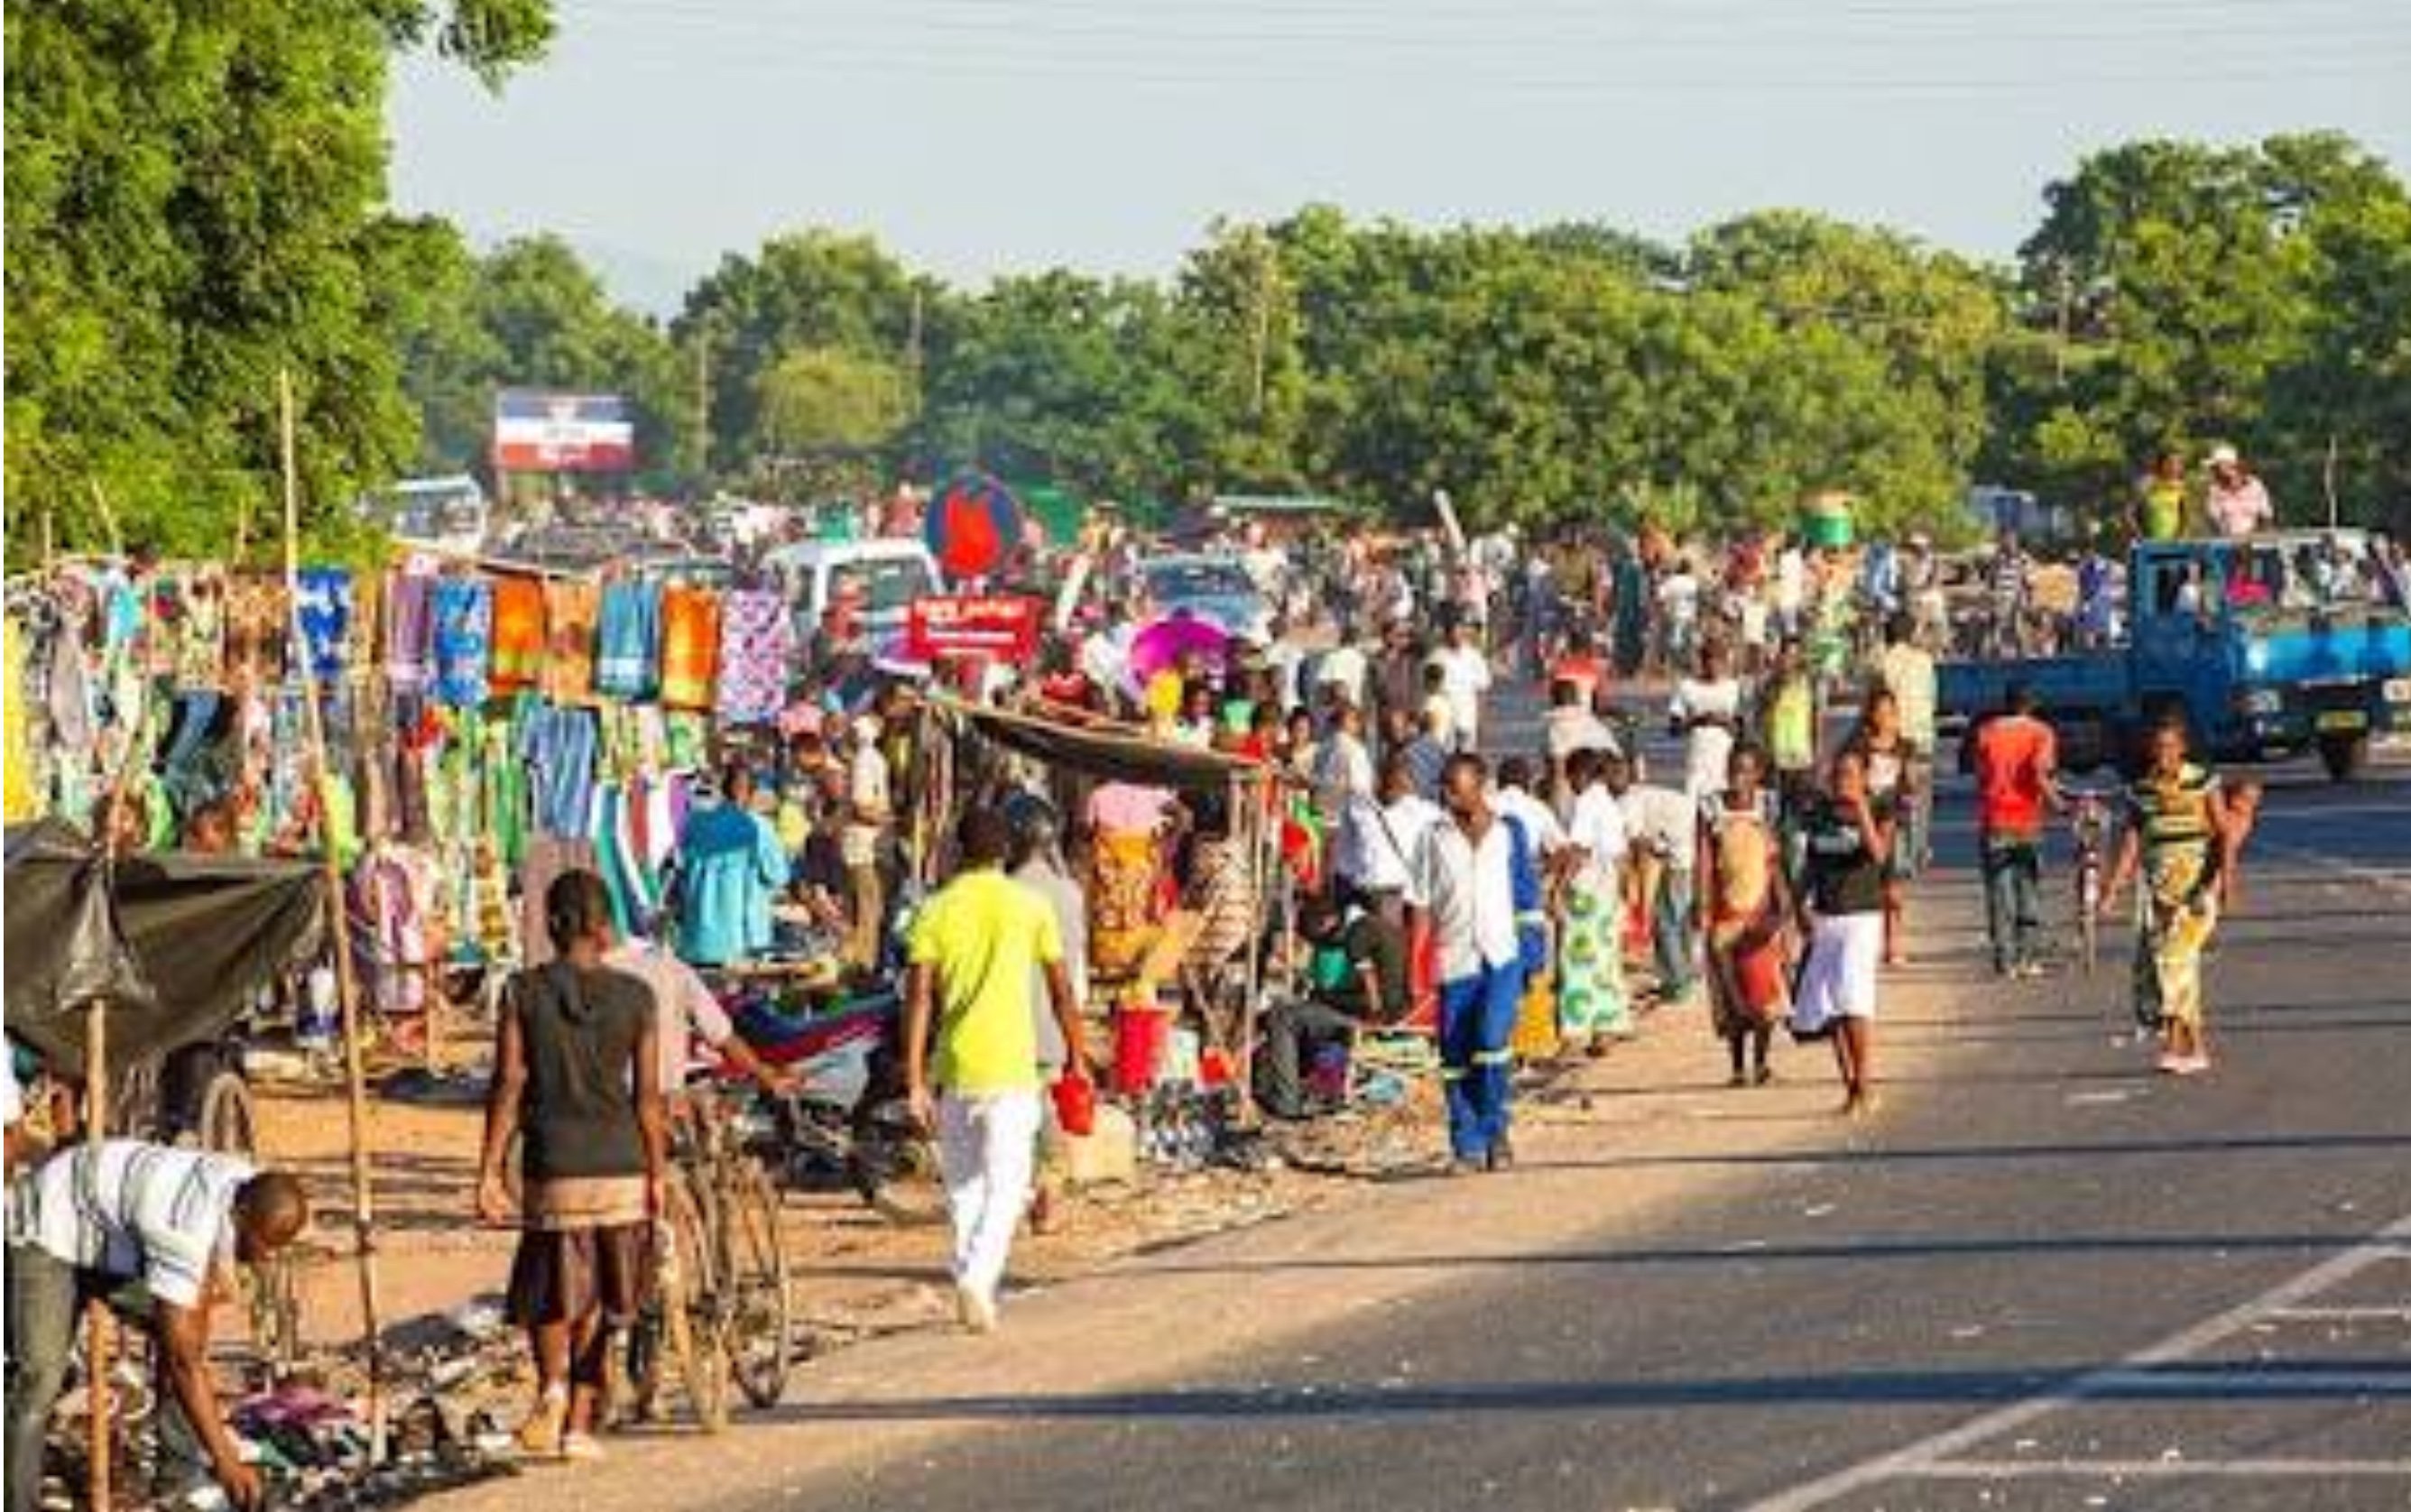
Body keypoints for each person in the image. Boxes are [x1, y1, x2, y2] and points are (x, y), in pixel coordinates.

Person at [477, 870, 666, 1460]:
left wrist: (486, 1169)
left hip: (554, 1162)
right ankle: (581, 1422)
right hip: (622, 1163)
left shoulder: (522, 992)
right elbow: (649, 1100)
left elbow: (509, 1081)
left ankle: (553, 1387)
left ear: (551, 924)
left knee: (551, 1289)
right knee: (606, 1295)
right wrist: (658, 1174)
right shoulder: (638, 997)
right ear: (604, 925)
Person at [7, 1143, 309, 1512]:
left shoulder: (241, 1182)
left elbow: (189, 1338)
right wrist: (226, 1460)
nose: (265, 1257)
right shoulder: (185, 1228)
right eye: (262, 1244)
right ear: (242, 1212)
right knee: (39, 1378)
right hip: (48, 1230)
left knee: (185, 1338)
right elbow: (183, 1362)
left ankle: (178, 1482)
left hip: (108, 1238)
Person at [902, 807, 1087, 1333]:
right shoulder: (1030, 907)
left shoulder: (935, 910)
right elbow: (1060, 989)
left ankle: (969, 1274)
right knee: (1008, 1184)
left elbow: (918, 1000)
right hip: (1011, 1066)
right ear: (1005, 853)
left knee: (964, 1185)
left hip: (955, 1066)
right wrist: (1076, 1052)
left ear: (959, 852)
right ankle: (977, 1279)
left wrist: (914, 1078)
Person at [1408, 753, 1538, 1175]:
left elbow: (1526, 897)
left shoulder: (1508, 833)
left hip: (1501, 954)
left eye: (1454, 786)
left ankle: (1495, 1127)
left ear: (1478, 786)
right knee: (1456, 1052)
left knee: (1492, 1038)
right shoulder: (1432, 836)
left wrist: (1534, 957)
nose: (1446, 794)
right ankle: (1467, 1142)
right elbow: (1422, 905)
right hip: (1455, 956)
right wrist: (1417, 965)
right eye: (1443, 786)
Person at [2102, 718, 2236, 1075]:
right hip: (2158, 895)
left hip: (2197, 889)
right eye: (2157, 748)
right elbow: (2131, 843)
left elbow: (2224, 834)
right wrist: (2113, 889)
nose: (2163, 755)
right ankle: (2185, 1046)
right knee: (2177, 966)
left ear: (2182, 748)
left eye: (2169, 747)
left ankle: (2186, 1045)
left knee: (2174, 961)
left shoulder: (2202, 782)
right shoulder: (2142, 791)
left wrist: (2227, 885)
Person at [1790, 748, 1895, 1117]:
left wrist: (1861, 809)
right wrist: (1797, 906)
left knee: (1854, 1000)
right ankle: (1850, 1085)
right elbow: (1809, 866)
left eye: (1850, 775)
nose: (1842, 782)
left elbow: (1881, 856)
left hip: (1862, 916)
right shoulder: (1819, 815)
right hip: (1827, 917)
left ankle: (1866, 1083)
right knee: (1829, 1004)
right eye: (1837, 776)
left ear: (1865, 779)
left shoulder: (1880, 810)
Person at [1003, 792, 1087, 1235]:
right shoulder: (1069, 893)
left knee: (1018, 1115)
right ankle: (1047, 1191)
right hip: (1054, 1019)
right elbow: (1072, 968)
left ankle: (1034, 1196)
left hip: (1009, 1021)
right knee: (1040, 1108)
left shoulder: (1007, 893)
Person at [1257, 898, 1410, 1120]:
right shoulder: (1377, 926)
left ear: (1329, 919)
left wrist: (1376, 1017)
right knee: (1296, 1011)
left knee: (1282, 1016)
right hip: (1377, 1010)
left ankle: (1286, 1103)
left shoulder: (1359, 934)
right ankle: (1301, 1087)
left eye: (1313, 924)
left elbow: (1370, 982)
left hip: (1370, 1016)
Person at [1697, 742, 1789, 1088]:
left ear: (1758, 774)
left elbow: (1775, 859)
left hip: (1760, 911)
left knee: (1764, 993)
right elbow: (1705, 861)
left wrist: (1784, 904)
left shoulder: (1768, 806)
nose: (1739, 777)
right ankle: (1737, 1067)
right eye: (1734, 769)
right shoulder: (1711, 808)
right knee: (1730, 993)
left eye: (1746, 770)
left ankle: (1762, 1063)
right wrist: (1702, 905)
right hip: (1726, 911)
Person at [1969, 684, 2059, 978]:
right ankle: (2027, 957)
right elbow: (2039, 772)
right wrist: (2058, 803)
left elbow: (1981, 776)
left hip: (1994, 819)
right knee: (2027, 888)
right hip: (2027, 820)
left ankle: (2004, 960)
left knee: (1999, 891)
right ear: (2032, 705)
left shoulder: (1987, 731)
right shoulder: (2041, 732)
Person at [1604, 753, 1698, 1005]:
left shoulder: (1627, 802)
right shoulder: (1641, 793)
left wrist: (1631, 887)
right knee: (1681, 919)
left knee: (1666, 921)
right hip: (1688, 847)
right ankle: (1686, 974)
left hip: (1680, 854)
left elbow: (1637, 844)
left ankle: (1677, 983)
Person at [674, 765, 790, 968]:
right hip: (740, 946)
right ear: (752, 793)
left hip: (695, 943)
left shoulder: (691, 824)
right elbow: (778, 876)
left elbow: (679, 875)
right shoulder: (759, 828)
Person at [1557, 748, 1632, 1053]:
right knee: (1605, 960)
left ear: (1580, 775)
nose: (1570, 786)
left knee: (1577, 960)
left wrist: (1557, 888)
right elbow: (1621, 855)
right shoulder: (1609, 804)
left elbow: (1579, 848)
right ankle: (1606, 1027)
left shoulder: (1587, 802)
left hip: (1586, 893)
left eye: (1570, 778)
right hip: (1607, 890)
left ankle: (1578, 1028)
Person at [1849, 687, 1923, 968]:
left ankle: (1894, 944)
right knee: (1868, 889)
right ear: (1870, 715)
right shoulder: (1860, 746)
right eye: (1880, 712)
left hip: (1894, 823)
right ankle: (1869, 945)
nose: (1886, 718)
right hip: (1867, 824)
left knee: (1894, 892)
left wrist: (1910, 785)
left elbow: (1911, 785)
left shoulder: (1905, 746)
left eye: (1891, 713)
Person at [842, 715, 893, 973]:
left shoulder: (868, 758)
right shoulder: (865, 760)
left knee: (869, 909)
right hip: (863, 847)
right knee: (867, 911)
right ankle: (861, 969)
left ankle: (863, 966)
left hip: (865, 845)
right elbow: (861, 807)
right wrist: (890, 819)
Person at [1670, 640, 1746, 802]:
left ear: (1725, 661)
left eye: (1718, 660)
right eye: (1709, 659)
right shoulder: (1687, 687)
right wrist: (1698, 720)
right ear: (1701, 661)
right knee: (1692, 812)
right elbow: (1674, 729)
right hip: (1696, 765)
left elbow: (1742, 732)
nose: (1713, 665)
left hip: (1724, 765)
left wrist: (1723, 721)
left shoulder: (1733, 688)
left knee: (1721, 814)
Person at [1429, 620, 1493, 753]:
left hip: (1467, 718)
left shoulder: (1474, 657)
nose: (1457, 636)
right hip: (1444, 720)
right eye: (1453, 633)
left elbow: (1481, 691)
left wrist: (1482, 721)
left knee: (1467, 759)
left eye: (1460, 632)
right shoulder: (1436, 657)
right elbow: (1431, 692)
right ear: (1446, 634)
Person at [2203, 444, 2274, 539]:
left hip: (2256, 541)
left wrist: (2258, 535)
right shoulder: (2215, 490)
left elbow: (2266, 516)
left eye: (2216, 467)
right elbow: (2214, 520)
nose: (2214, 471)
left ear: (2228, 465)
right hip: (2227, 543)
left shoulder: (2255, 486)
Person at [2138, 449, 2188, 542]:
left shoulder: (2181, 489)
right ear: (2161, 464)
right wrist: (2140, 536)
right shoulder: (2148, 485)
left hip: (2173, 545)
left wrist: (2179, 537)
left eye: (2178, 464)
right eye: (2170, 463)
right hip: (2149, 544)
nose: (2174, 467)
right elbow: (2128, 514)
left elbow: (2185, 517)